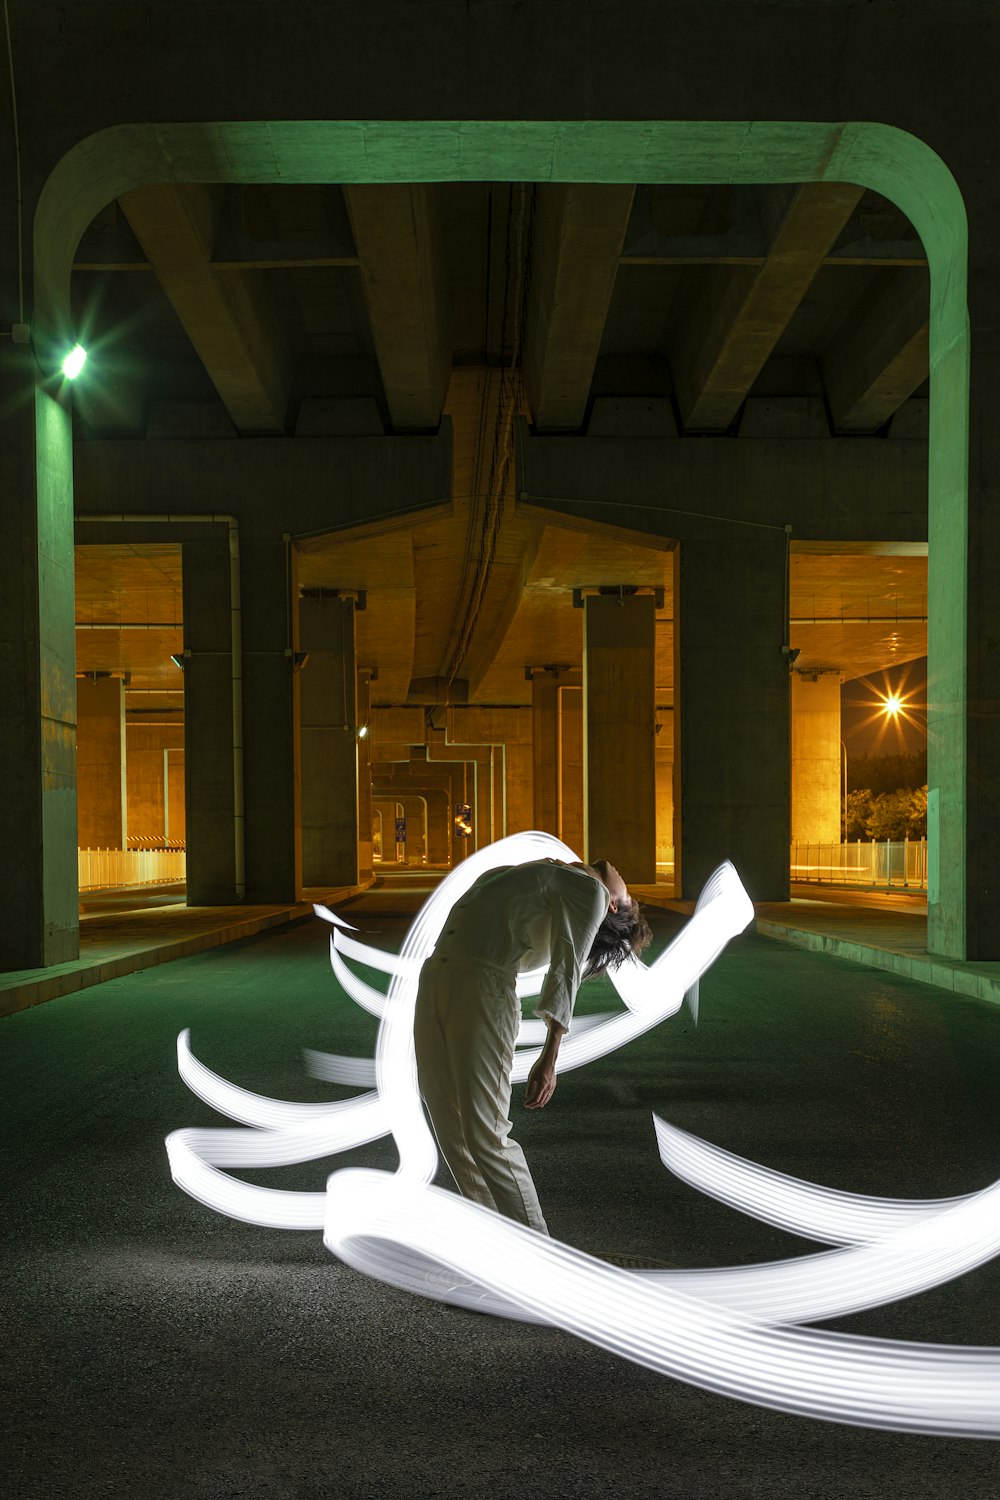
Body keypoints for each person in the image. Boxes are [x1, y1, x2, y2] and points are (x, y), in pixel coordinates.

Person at [413, 857, 653, 1235]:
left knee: (485, 1135)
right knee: (450, 1130)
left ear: (613, 904)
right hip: (436, 976)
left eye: (629, 896)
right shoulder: (548, 874)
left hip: (483, 985)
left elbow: (566, 969)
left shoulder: (591, 892)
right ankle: (492, 1257)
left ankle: (541, 1262)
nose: (623, 873)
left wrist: (550, 1056)